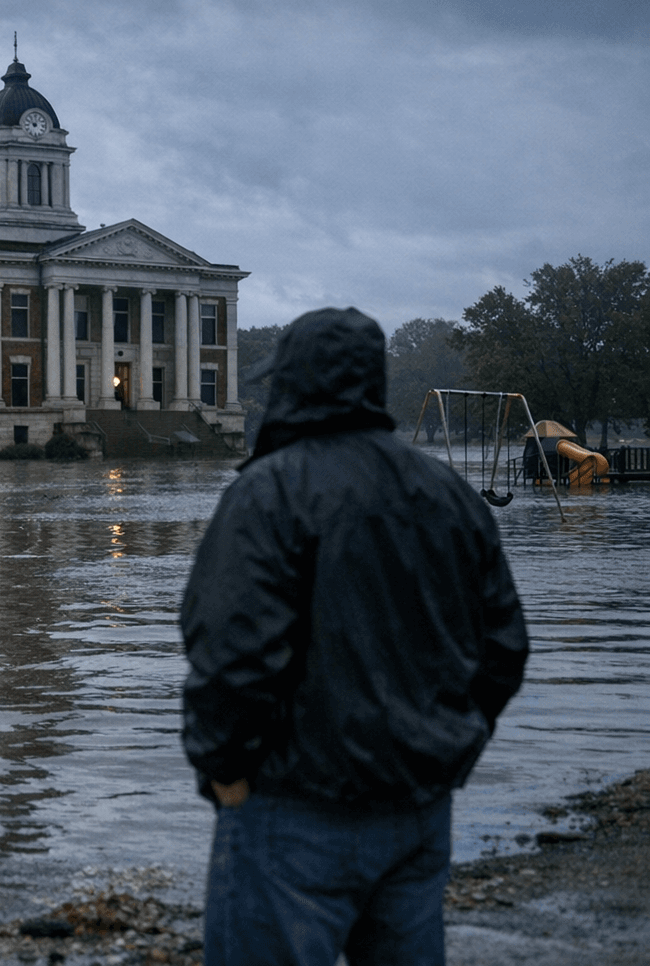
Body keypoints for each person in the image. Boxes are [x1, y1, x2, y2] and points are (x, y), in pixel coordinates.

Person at [179, 307, 528, 965]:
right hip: (418, 808)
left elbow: (229, 651)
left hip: (292, 807)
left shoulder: (266, 493)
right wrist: (451, 741)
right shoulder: (448, 492)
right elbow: (504, 647)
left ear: (293, 387)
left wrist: (224, 770)